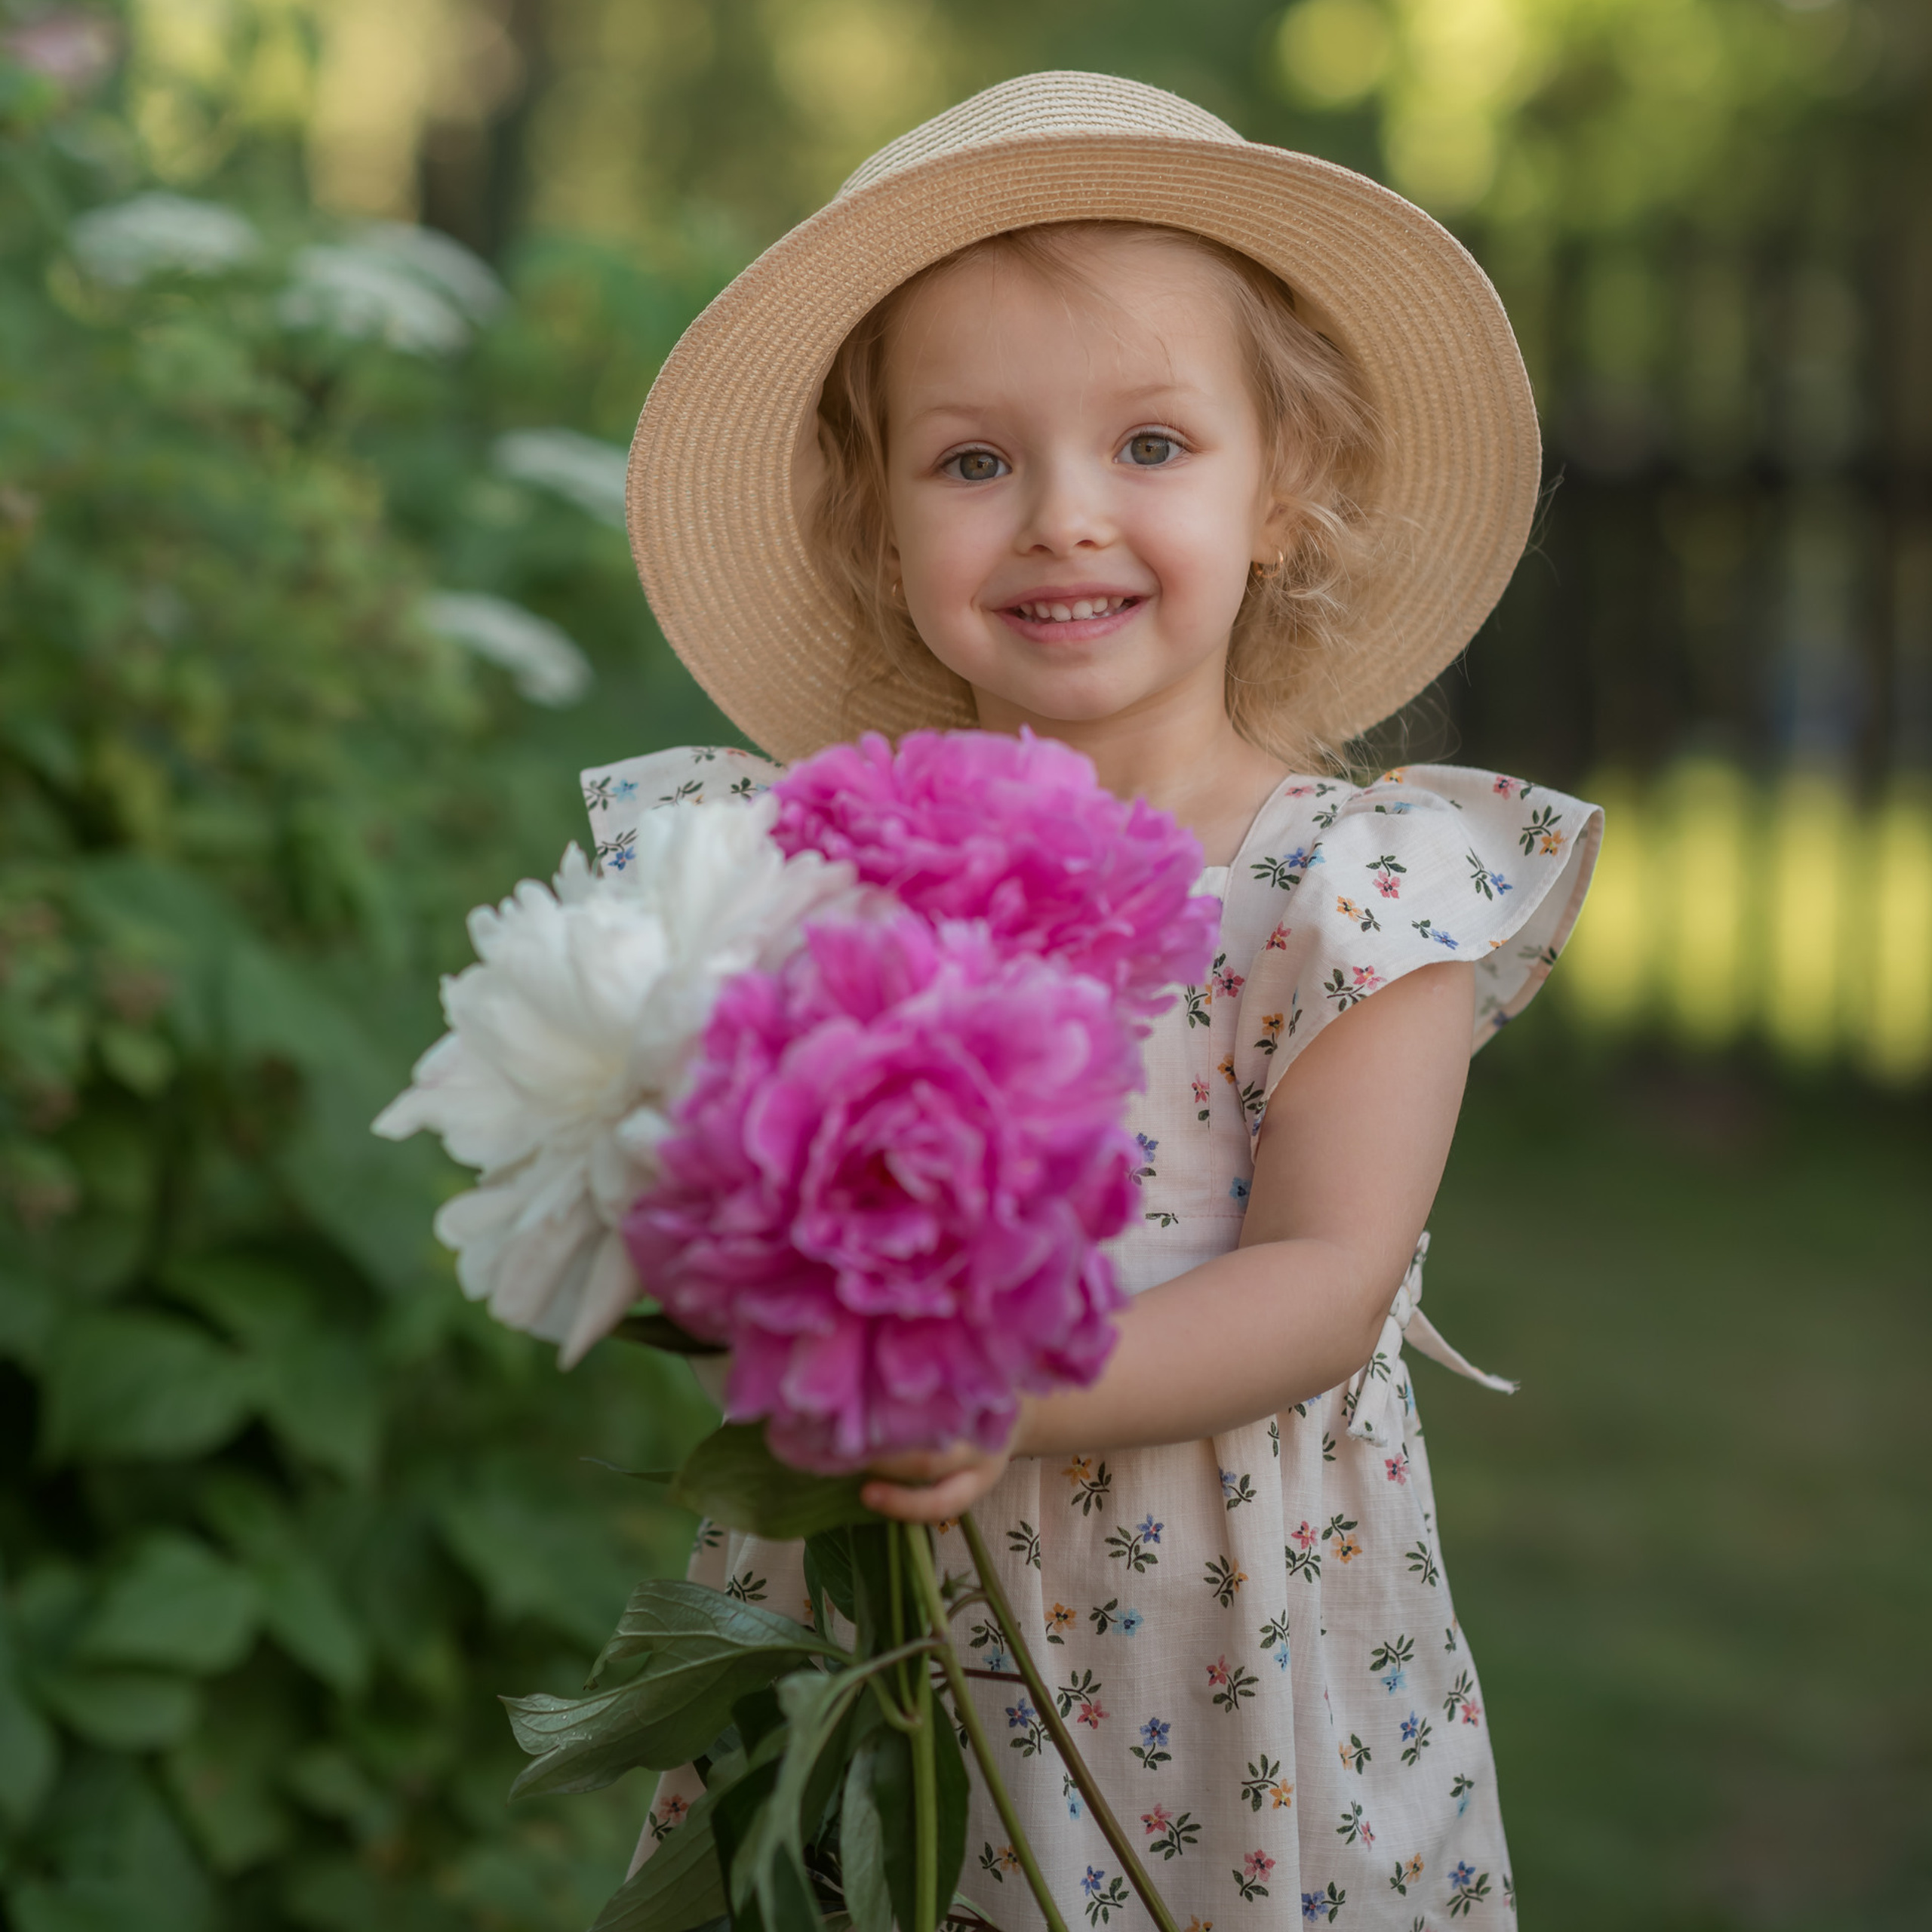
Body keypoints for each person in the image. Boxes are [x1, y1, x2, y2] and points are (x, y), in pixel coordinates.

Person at [586, 72, 1601, 1927]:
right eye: (973, 460)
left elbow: (1326, 1271)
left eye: (1150, 444)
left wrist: (999, 1390)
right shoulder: (816, 864)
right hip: (876, 1608)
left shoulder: (1345, 888)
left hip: (1213, 1647)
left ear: (1279, 489)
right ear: (873, 517)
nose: (1063, 517)